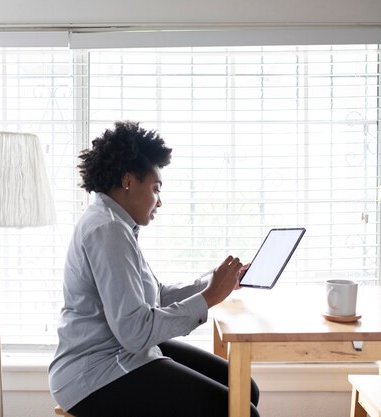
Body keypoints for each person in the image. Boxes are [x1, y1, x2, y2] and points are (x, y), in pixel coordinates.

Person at [48, 121, 260, 417]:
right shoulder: (107, 229)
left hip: (119, 353)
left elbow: (155, 295)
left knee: (245, 390)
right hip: (95, 373)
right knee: (240, 410)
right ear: (127, 181)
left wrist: (214, 283)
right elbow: (135, 331)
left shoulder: (116, 223)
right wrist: (209, 297)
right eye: (156, 189)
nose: (159, 201)